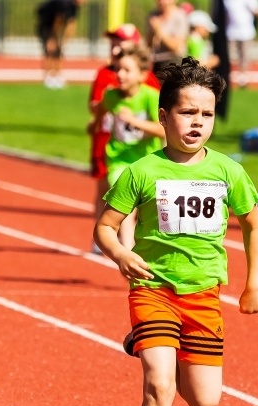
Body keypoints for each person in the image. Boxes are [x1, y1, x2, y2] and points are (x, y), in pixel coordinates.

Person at [93, 57, 258, 406]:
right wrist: (121, 254)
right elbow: (105, 227)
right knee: (159, 385)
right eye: (187, 112)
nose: (197, 123)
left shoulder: (228, 171)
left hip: (202, 296)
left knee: (205, 401)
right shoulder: (142, 171)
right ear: (163, 117)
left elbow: (253, 225)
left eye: (206, 114)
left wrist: (254, 283)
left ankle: (147, 341)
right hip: (153, 290)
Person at [87, 24, 161, 253]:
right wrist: (94, 125)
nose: (119, 74)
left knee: (151, 209)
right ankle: (127, 249)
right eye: (118, 69)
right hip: (118, 158)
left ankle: (142, 246)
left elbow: (164, 130)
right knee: (125, 199)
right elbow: (99, 111)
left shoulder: (151, 96)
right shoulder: (111, 95)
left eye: (126, 70)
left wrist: (135, 121)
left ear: (142, 75)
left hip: (147, 159)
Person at [36, 0, 83, 89]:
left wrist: (64, 41)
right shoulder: (64, 4)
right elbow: (57, 21)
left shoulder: (74, 7)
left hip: (55, 27)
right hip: (46, 26)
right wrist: (53, 37)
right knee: (50, 50)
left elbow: (71, 24)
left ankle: (57, 75)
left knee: (59, 51)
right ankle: (48, 76)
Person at [224, 0, 258, 88]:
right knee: (227, 55)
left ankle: (243, 78)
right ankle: (226, 75)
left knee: (244, 56)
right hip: (230, 31)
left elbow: (257, 11)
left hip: (246, 32)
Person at [146, 0, 189, 74]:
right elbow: (148, 45)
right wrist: (151, 32)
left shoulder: (180, 17)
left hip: (173, 62)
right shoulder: (153, 15)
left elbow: (175, 47)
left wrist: (158, 31)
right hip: (155, 62)